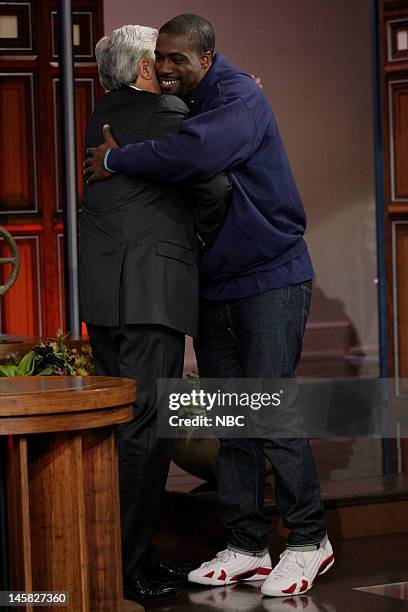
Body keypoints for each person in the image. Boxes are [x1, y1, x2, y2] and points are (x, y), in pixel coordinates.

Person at [83, 14, 334, 598]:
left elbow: (197, 158)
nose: (166, 70)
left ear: (206, 57)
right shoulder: (192, 99)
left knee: (267, 404)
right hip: (219, 285)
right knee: (232, 413)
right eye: (160, 59)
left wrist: (121, 160)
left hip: (270, 276)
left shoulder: (239, 96)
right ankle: (246, 543)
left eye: (177, 60)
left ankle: (307, 539)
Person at [79, 24, 231, 603]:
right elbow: (214, 184)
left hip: (107, 301)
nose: (168, 68)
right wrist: (203, 239)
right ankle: (126, 569)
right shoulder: (163, 110)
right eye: (160, 59)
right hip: (150, 295)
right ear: (144, 68)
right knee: (147, 434)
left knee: (125, 432)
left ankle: (123, 558)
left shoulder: (101, 117)